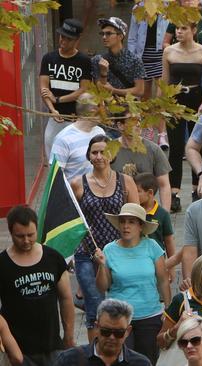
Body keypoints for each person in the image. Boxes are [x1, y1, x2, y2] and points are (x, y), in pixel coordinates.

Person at [70, 134, 139, 342]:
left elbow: (136, 216)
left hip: (119, 251)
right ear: (89, 156)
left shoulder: (125, 181)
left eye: (104, 151)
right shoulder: (78, 184)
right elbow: (72, 223)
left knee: (122, 304)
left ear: (112, 154)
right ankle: (95, 356)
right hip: (88, 254)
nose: (99, 156)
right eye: (95, 152)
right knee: (95, 307)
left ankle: (121, 350)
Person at [95, 203, 171, 364]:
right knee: (120, 361)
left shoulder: (152, 247)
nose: (126, 226)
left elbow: (163, 281)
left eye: (131, 222)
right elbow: (102, 286)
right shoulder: (109, 249)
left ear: (140, 226)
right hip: (119, 318)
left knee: (147, 360)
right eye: (122, 221)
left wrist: (169, 312)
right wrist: (101, 265)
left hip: (150, 315)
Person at [0, 206, 75, 366]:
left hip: (52, 346)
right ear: (10, 232)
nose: (26, 240)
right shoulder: (2, 264)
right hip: (18, 351)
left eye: (31, 235)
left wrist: (68, 334)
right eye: (20, 236)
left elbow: (66, 298)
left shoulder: (53, 258)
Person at [161, 20, 202, 210]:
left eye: (183, 28)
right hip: (174, 100)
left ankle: (195, 189)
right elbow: (164, 82)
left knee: (197, 146)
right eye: (177, 29)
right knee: (175, 147)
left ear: (193, 30)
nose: (179, 32)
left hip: (197, 99)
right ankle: (174, 193)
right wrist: (161, 106)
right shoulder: (169, 52)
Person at [39, 18, 91, 161]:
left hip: (76, 118)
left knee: (77, 158)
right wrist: (52, 109)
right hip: (54, 118)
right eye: (62, 36)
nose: (63, 41)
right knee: (52, 158)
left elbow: (83, 90)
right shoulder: (48, 58)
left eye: (69, 39)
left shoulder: (84, 61)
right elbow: (43, 88)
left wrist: (57, 100)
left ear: (77, 40)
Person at [52, 299, 152, 366]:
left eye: (118, 333)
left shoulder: (140, 363)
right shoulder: (69, 360)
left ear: (127, 331)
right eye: (106, 331)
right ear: (96, 327)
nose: (112, 337)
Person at [110, 114, 172, 211]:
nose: (138, 124)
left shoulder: (153, 149)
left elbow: (164, 185)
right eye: (132, 121)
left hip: (147, 210)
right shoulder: (109, 150)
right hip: (118, 209)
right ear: (120, 125)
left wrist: (165, 215)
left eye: (139, 120)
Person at [49, 93, 104, 179]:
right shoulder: (64, 139)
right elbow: (54, 177)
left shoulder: (100, 132)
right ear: (93, 111)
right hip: (74, 192)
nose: (106, 112)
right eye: (103, 107)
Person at [92, 17, 145, 98]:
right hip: (106, 106)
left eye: (108, 33)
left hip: (129, 106)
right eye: (103, 34)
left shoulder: (135, 60)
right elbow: (101, 91)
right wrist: (103, 73)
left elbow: (140, 91)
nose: (104, 37)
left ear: (120, 36)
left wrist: (114, 90)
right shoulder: (97, 60)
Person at [134, 173, 175, 259]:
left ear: (150, 193)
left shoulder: (163, 214)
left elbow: (169, 241)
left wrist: (171, 267)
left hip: (157, 260)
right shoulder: (133, 211)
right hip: (137, 258)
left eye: (137, 191)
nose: (133, 194)